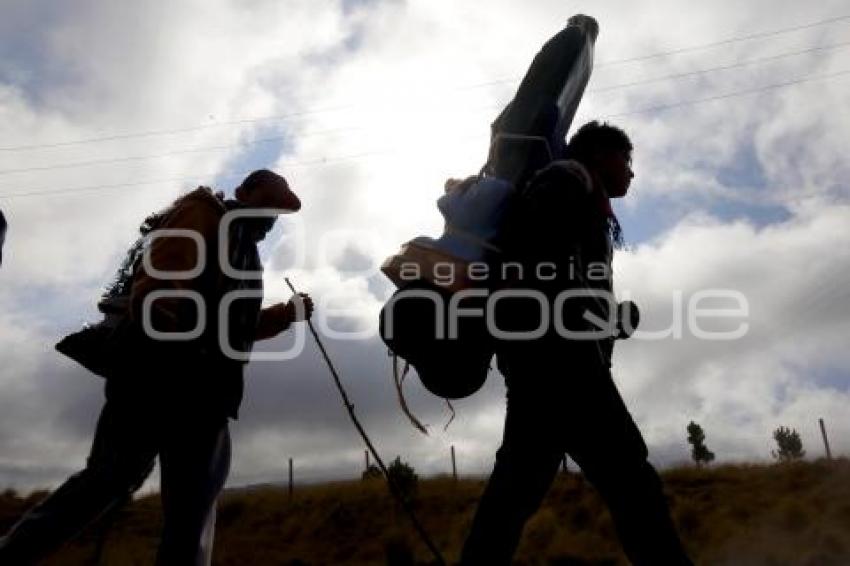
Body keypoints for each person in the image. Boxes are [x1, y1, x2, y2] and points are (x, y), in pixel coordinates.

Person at [0, 169, 314, 565]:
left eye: (277, 214)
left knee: (190, 508)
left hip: (206, 395)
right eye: (267, 205)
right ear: (243, 192)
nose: (270, 220)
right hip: (156, 377)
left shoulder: (244, 253)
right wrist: (164, 319)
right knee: (110, 482)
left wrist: (286, 315)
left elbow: (235, 326)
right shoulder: (202, 214)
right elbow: (161, 283)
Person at [460, 122, 693, 565]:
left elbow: (554, 271)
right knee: (633, 484)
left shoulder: (577, 192)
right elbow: (537, 261)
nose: (630, 173)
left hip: (542, 363)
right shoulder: (567, 179)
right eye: (626, 160)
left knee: (513, 496)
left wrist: (606, 319)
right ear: (601, 155)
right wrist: (588, 318)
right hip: (564, 365)